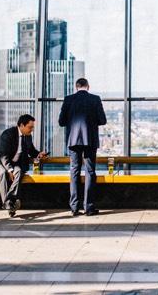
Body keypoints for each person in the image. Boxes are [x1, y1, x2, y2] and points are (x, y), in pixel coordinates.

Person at [58, 78, 107, 216]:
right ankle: (89, 207)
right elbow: (102, 120)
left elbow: (61, 122)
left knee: (74, 171)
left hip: (73, 141)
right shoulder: (95, 99)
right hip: (90, 140)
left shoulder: (68, 99)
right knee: (90, 172)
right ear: (88, 87)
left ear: (76, 87)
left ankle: (74, 208)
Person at [0, 114, 48, 217]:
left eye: (32, 127)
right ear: (22, 125)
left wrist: (38, 154)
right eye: (30, 127)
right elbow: (3, 154)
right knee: (3, 173)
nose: (31, 130)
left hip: (13, 163)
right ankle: (10, 205)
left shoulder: (28, 136)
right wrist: (9, 170)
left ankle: (8, 202)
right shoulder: (8, 134)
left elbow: (31, 150)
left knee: (19, 171)